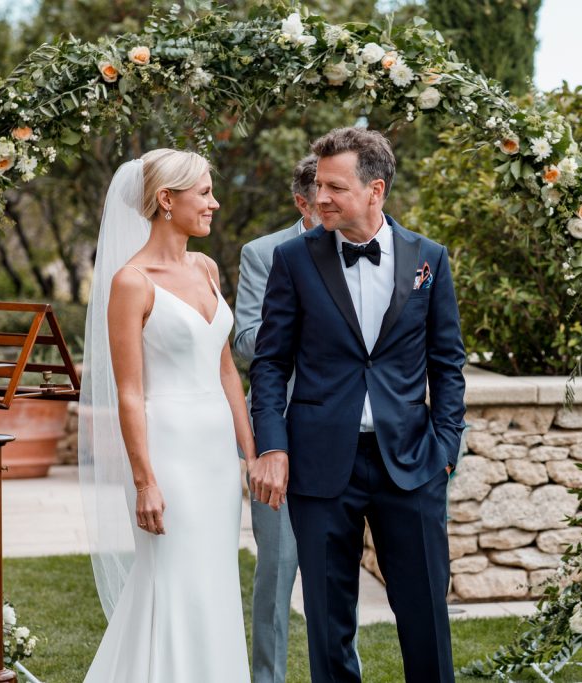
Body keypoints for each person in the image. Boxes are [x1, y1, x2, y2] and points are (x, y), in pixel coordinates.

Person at [248, 127, 466, 683]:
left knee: (426, 620)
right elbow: (270, 363)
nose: (320, 198)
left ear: (376, 190)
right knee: (328, 625)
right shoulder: (293, 260)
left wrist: (444, 449)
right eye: (319, 185)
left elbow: (448, 365)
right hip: (320, 468)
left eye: (335, 187)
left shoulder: (429, 260)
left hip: (412, 464)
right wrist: (272, 444)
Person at [79, 149, 252, 681]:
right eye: (204, 192)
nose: (214, 203)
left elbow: (225, 370)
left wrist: (252, 452)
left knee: (215, 580)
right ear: (165, 200)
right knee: (173, 580)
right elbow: (128, 393)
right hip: (168, 456)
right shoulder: (132, 281)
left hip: (217, 456)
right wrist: (145, 481)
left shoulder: (206, 268)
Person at [234, 154, 358, 683]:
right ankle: (269, 678)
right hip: (281, 431)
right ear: (301, 203)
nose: (329, 207)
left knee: (337, 576)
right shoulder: (264, 254)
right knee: (278, 570)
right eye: (320, 199)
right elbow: (244, 340)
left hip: (344, 433)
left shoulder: (361, 248)